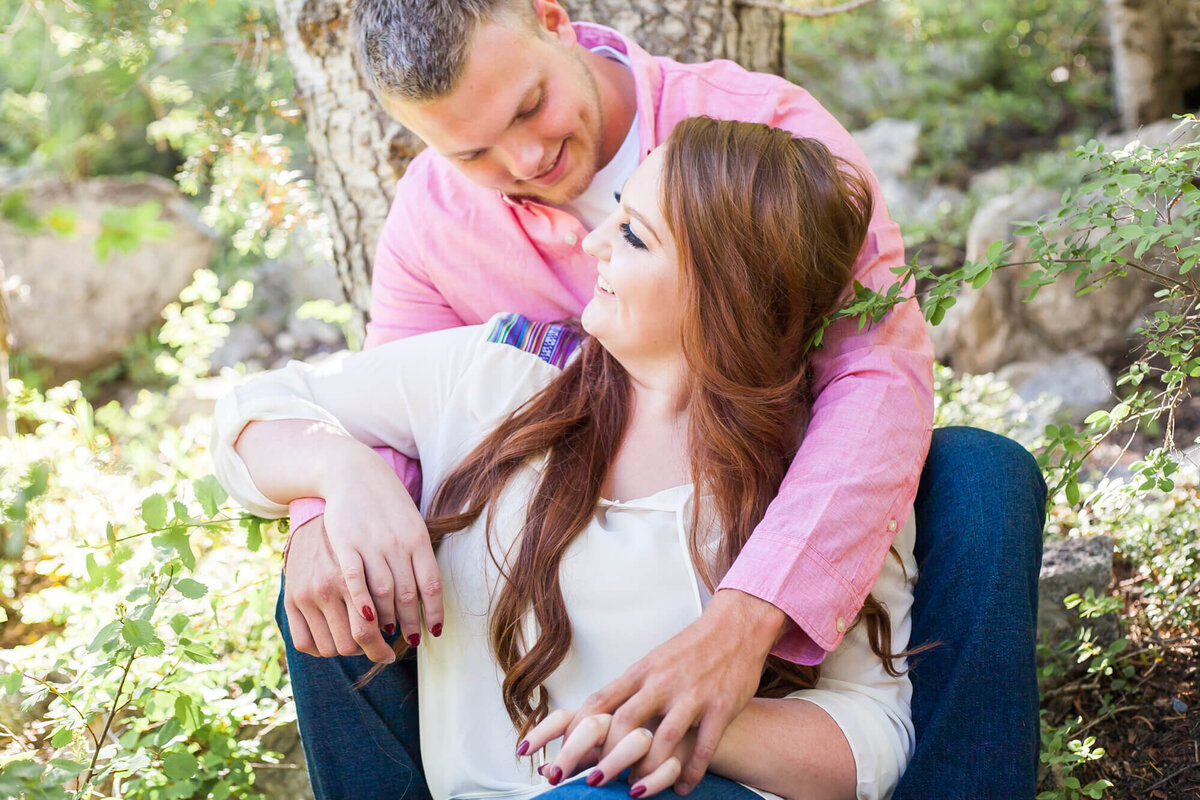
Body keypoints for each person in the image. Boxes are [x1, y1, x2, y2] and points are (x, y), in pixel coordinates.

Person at [269, 1, 1047, 797]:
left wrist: (745, 621)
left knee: (982, 476)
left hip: (758, 487)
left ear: (553, 20)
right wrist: (323, 500)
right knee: (330, 574)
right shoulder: (431, 222)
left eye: (531, 106)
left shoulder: (757, 131)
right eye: (474, 152)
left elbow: (875, 373)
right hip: (563, 540)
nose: (528, 156)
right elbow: (378, 416)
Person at [215, 117, 919, 800]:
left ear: (722, 291)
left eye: (635, 236)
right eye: (617, 212)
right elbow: (250, 410)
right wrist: (342, 473)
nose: (592, 244)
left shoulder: (825, 480)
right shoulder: (496, 372)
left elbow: (873, 738)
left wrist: (673, 722)